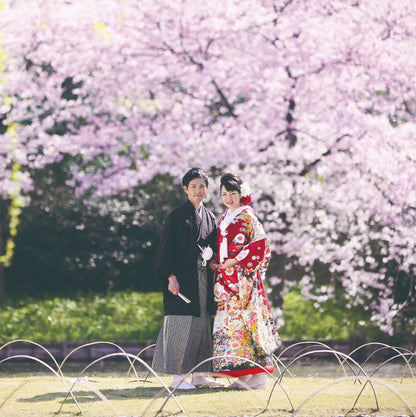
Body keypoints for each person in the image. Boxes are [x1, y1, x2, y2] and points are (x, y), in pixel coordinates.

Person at [152, 168, 223, 389]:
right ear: (185, 189)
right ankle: (178, 377)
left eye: (202, 186)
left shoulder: (210, 217)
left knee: (203, 324)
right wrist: (171, 277)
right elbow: (165, 249)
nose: (198, 190)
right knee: (180, 324)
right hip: (182, 278)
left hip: (204, 278)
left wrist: (213, 262)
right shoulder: (176, 216)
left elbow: (213, 247)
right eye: (193, 186)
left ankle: (200, 374)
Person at [211, 173, 281, 389]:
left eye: (233, 193)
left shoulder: (248, 217)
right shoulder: (225, 217)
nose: (229, 198)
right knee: (230, 325)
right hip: (226, 279)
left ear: (241, 194)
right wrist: (217, 261)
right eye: (224, 194)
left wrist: (236, 260)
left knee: (248, 323)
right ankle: (243, 372)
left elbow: (260, 245)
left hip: (244, 280)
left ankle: (258, 374)